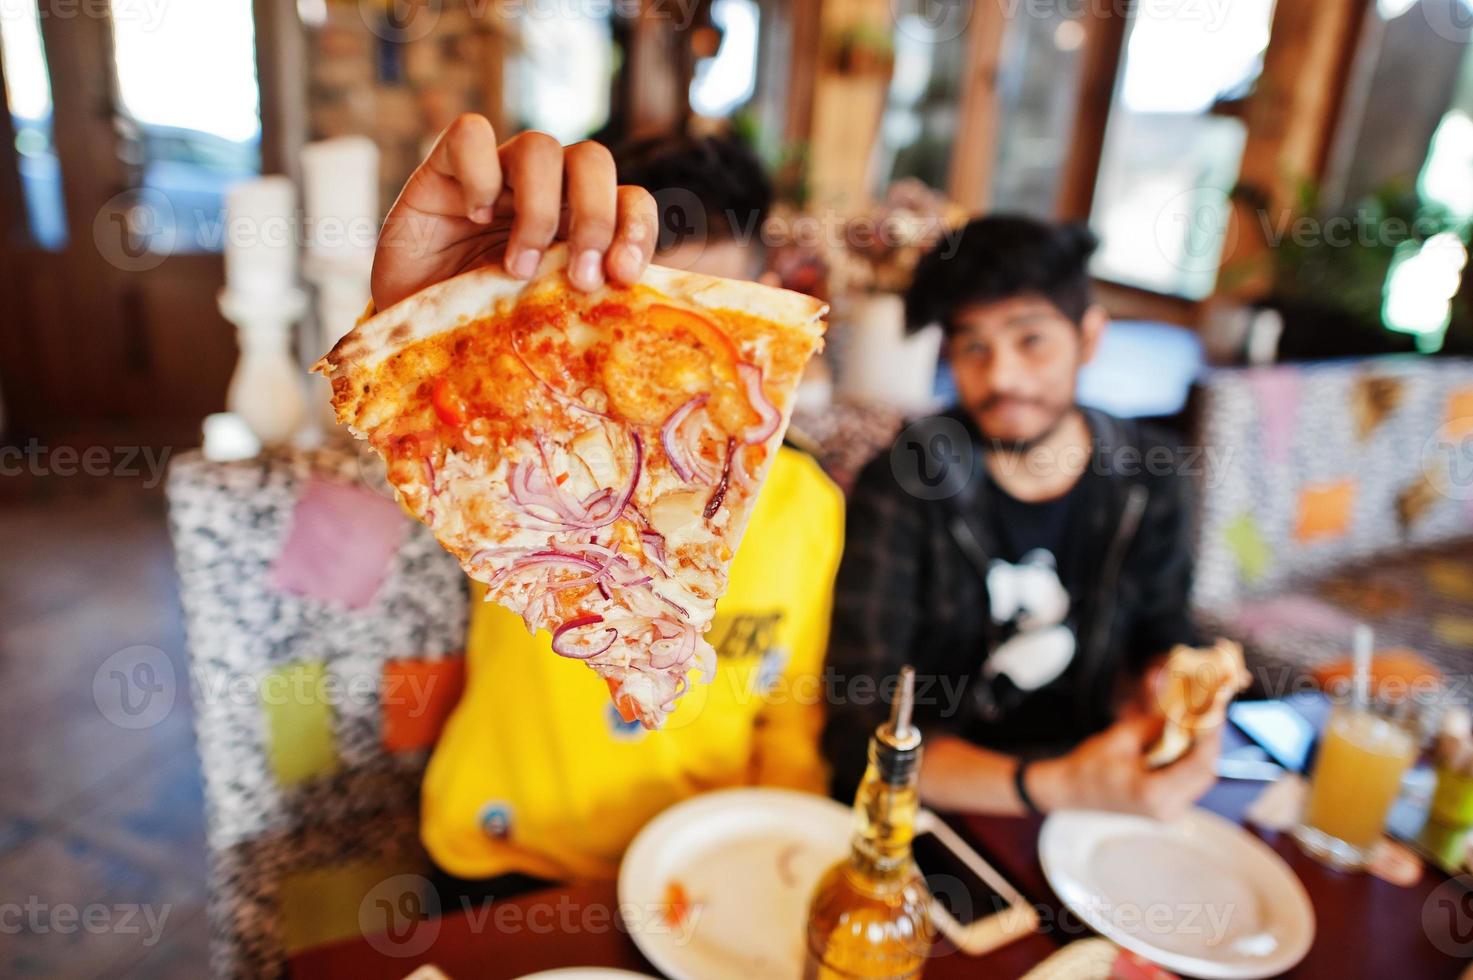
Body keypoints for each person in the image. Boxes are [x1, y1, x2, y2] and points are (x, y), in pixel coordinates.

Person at [373, 116, 844, 903]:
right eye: (637, 328)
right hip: (506, 856)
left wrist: (788, 848)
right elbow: (418, 430)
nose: (673, 375)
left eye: (709, 326)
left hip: (704, 869)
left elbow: (791, 712)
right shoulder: (530, 449)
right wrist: (438, 322)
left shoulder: (808, 505)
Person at [821, 215, 1220, 820]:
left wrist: (1174, 684)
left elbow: (1164, 629)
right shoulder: (904, 482)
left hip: (1093, 796)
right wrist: (1056, 785)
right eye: (973, 346)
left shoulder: (1151, 476)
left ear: (1089, 338)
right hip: (932, 807)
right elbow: (859, 733)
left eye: (1031, 341)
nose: (1001, 377)